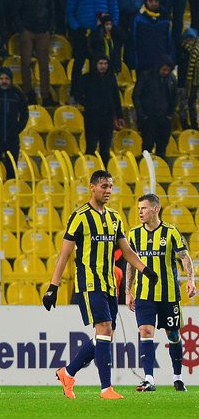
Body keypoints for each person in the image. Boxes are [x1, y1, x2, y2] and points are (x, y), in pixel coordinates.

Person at [43, 170, 159, 400]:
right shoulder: (80, 216)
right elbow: (64, 254)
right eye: (104, 186)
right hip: (89, 283)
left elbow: (126, 250)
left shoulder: (114, 217)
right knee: (104, 329)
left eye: (111, 186)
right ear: (92, 187)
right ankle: (106, 388)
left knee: (105, 335)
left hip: (109, 284)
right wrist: (53, 287)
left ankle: (68, 372)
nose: (108, 191)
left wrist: (145, 270)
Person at [126, 194, 193, 392]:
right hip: (144, 295)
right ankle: (149, 379)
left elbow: (184, 256)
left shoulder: (171, 232)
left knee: (173, 335)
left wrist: (190, 280)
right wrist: (128, 291)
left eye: (144, 208)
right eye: (139, 208)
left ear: (155, 209)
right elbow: (131, 263)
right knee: (145, 332)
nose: (140, 212)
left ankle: (177, 377)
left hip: (168, 295)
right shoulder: (134, 234)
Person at [13, 0, 55, 105]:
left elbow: (51, 9)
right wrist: (21, 28)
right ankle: (28, 93)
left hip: (43, 30)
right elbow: (16, 10)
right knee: (25, 63)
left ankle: (45, 94)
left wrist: (49, 28)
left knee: (44, 64)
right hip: (27, 30)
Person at [78, 56, 123, 159]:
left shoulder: (111, 78)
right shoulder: (86, 78)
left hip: (107, 117)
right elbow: (78, 95)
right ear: (96, 64)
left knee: (105, 147)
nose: (103, 66)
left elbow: (116, 98)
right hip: (92, 117)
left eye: (105, 64)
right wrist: (89, 104)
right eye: (101, 63)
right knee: (91, 145)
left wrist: (120, 116)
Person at [133, 56, 177, 157]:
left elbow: (174, 97)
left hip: (164, 118)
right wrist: (142, 115)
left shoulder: (172, 79)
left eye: (168, 70)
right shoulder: (146, 76)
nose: (166, 72)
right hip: (149, 117)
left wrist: (170, 114)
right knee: (147, 146)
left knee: (162, 146)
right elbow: (136, 96)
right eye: (164, 69)